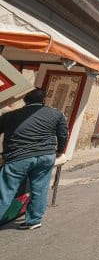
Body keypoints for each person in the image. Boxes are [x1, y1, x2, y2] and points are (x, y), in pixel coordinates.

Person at [0, 88, 68, 230]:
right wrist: (59, 151)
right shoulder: (56, 114)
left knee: (5, 191)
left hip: (18, 156)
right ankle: (34, 220)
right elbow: (63, 135)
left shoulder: (11, 115)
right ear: (44, 100)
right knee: (40, 188)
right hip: (45, 156)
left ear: (25, 100)